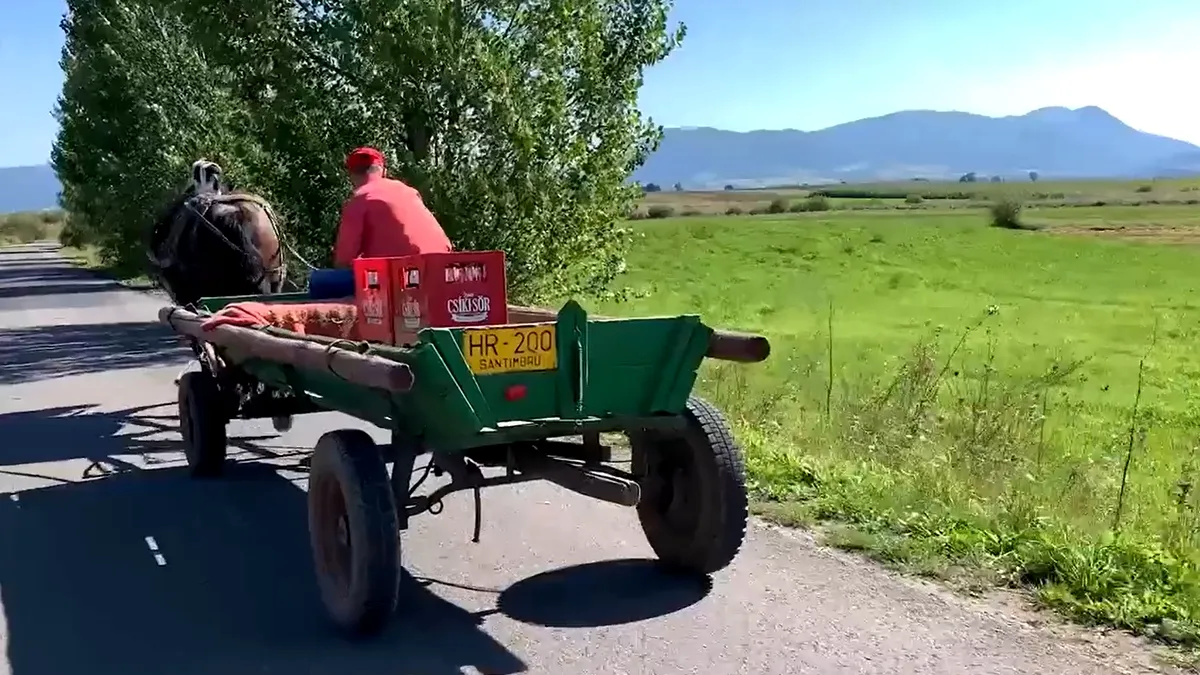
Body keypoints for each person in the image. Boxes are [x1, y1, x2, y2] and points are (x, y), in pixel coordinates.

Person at [333, 146, 453, 267]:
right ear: (383, 171)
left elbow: (344, 258)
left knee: (326, 280)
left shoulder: (360, 199)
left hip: (403, 272)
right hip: (443, 264)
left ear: (351, 175)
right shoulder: (409, 191)